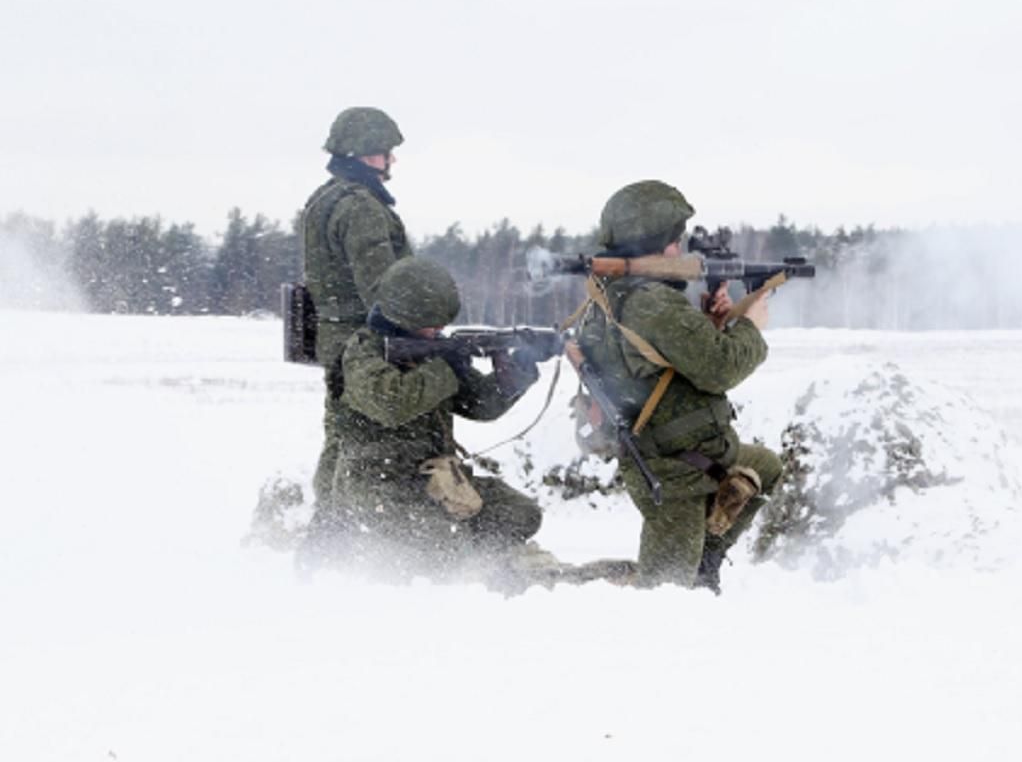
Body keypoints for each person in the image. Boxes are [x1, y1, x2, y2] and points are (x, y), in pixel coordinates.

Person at [574, 180, 782, 592]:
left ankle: (704, 566)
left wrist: (710, 325)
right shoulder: (651, 301)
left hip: (682, 454)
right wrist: (750, 325)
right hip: (672, 469)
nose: (680, 249)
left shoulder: (619, 294)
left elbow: (658, 360)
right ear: (658, 241)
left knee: (764, 467)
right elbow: (721, 368)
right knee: (664, 596)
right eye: (675, 240)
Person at [298, 257, 545, 585]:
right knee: (447, 550)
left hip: (434, 482)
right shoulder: (362, 353)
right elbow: (392, 403)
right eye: (429, 324)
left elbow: (480, 406)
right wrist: (445, 366)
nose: (437, 331)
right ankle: (399, 557)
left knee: (521, 514)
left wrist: (518, 369)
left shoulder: (431, 349)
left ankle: (452, 551)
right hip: (377, 486)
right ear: (404, 316)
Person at [300, 106, 412, 517]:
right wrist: (416, 330)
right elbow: (382, 287)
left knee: (341, 435)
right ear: (365, 153)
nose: (391, 159)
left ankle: (327, 525)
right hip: (364, 342)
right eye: (385, 151)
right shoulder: (361, 207)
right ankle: (343, 530)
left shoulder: (324, 199)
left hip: (337, 339)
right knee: (363, 442)